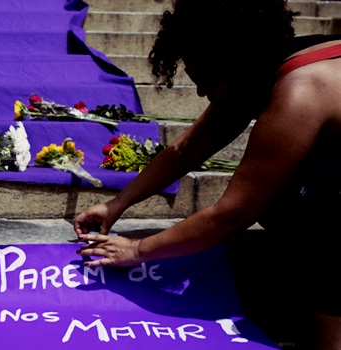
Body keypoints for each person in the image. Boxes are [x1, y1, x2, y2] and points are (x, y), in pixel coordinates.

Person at [73, 0, 341, 349]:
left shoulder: (299, 94)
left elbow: (232, 214)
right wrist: (116, 205)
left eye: (205, 80)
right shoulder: (268, 66)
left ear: (236, 62)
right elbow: (186, 150)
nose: (201, 93)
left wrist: (137, 250)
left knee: (313, 204)